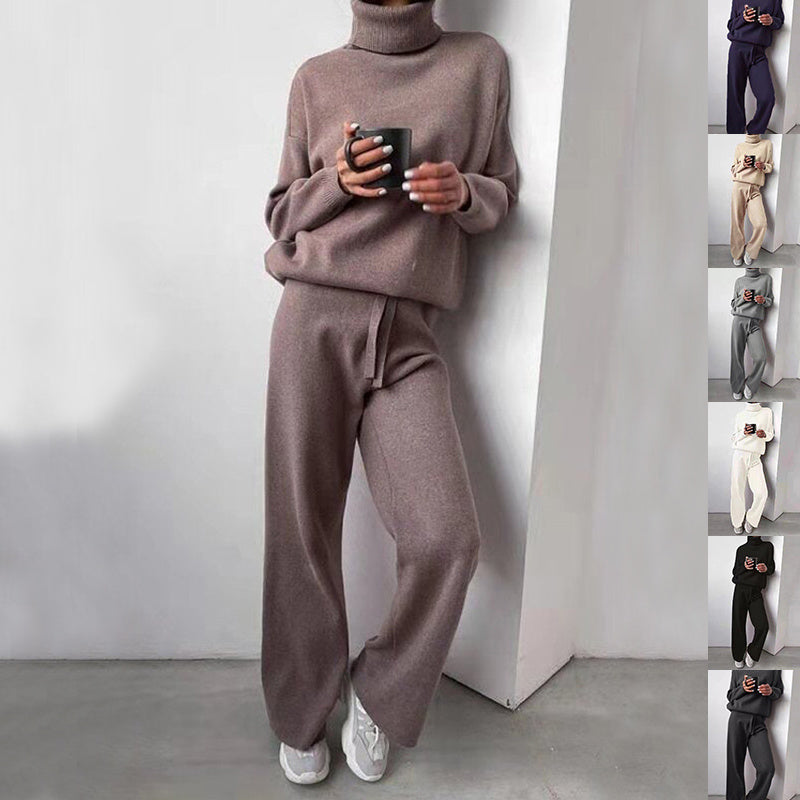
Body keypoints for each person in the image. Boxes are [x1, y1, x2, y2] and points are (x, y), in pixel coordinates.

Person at [260, 0, 518, 785]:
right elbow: (278, 214)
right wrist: (337, 181)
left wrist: (462, 194)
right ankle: (301, 710)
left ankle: (381, 693)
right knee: (301, 529)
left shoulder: (478, 64)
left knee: (448, 539)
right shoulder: (317, 79)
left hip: (408, 333)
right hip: (313, 318)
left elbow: (502, 192)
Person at [726, 0, 783, 133]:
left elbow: (779, 22)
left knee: (767, 98)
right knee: (735, 95)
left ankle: (753, 132)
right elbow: (731, 25)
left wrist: (771, 21)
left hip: (759, 53)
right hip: (738, 49)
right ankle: (734, 134)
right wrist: (743, 18)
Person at [726, 670, 782, 800]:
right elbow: (730, 695)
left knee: (767, 768)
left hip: (759, 722)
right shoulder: (738, 669)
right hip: (738, 718)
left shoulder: (774, 669)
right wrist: (743, 688)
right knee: (735, 767)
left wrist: (771, 691)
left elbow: (778, 690)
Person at [729, 266, 773, 400]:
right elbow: (733, 303)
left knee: (761, 357)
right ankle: (736, 387)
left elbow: (770, 301)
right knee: (737, 356)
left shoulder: (766, 279)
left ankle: (751, 385)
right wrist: (743, 298)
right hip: (739, 320)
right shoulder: (739, 281)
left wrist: (763, 300)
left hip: (755, 323)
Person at [730, 536, 774, 666]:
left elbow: (771, 568)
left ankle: (752, 652)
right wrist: (744, 566)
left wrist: (765, 569)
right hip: (740, 590)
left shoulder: (767, 547)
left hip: (756, 592)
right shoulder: (741, 549)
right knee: (738, 624)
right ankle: (738, 655)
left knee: (763, 626)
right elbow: (735, 572)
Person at [730, 403, 774, 533]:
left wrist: (764, 435)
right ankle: (737, 521)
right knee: (737, 490)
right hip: (740, 455)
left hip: (756, 458)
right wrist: (744, 433)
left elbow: (770, 435)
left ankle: (751, 519)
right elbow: (733, 438)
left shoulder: (767, 412)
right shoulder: (740, 415)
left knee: (762, 493)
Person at [730, 134, 772, 267]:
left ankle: (750, 250)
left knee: (761, 224)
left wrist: (762, 166)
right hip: (739, 186)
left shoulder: (766, 144)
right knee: (737, 222)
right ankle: (737, 253)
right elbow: (733, 169)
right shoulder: (740, 146)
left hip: (755, 189)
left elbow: (770, 167)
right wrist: (743, 164)